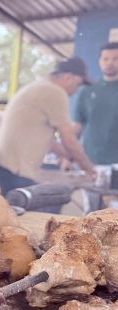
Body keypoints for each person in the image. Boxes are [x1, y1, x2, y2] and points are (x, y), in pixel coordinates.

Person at [0, 57, 96, 199]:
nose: (76, 91)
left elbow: (49, 141)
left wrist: (67, 156)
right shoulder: (55, 92)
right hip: (15, 172)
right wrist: (91, 171)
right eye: (77, 85)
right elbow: (69, 140)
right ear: (68, 77)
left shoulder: (36, 88)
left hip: (2, 167)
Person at [73, 42, 118, 210]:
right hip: (91, 163)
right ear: (99, 61)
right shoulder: (87, 91)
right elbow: (76, 127)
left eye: (115, 58)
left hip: (116, 164)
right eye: (106, 59)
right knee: (91, 213)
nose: (110, 62)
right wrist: (67, 156)